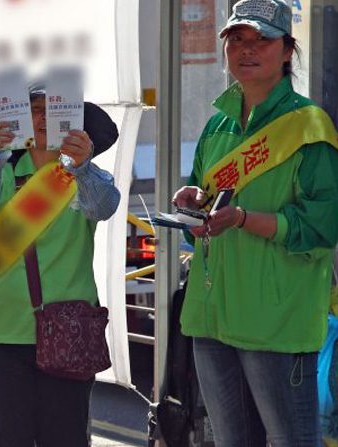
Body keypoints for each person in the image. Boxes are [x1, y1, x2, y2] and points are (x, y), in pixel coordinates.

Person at [172, 1, 338, 445]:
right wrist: (192, 204)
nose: (247, 50)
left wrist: (244, 219)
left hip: (277, 325)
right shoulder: (218, 126)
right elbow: (205, 200)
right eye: (237, 40)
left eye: (261, 40)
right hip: (212, 320)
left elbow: (323, 226)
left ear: (287, 50)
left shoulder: (310, 128)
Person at [0, 80, 121, 447]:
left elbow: (104, 207)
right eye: (33, 108)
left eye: (55, 106)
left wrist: (81, 167)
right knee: (5, 438)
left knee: (65, 438)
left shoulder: (87, 176)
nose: (43, 116)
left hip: (68, 331)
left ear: (74, 118)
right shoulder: (2, 170)